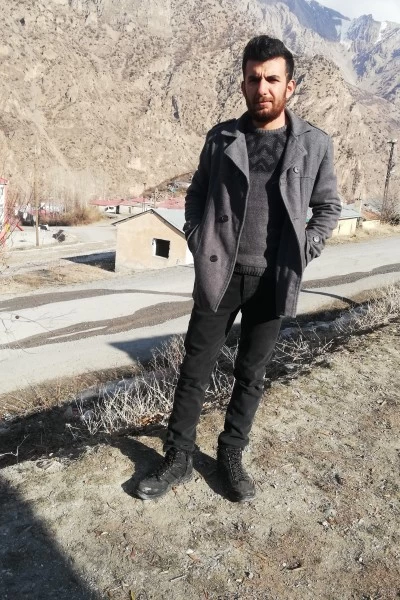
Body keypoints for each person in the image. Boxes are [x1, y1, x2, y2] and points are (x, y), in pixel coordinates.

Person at [136, 35, 341, 502]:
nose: (262, 88)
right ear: (243, 83)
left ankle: (230, 454)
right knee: (195, 368)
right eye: (253, 79)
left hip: (274, 278)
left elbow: (328, 207)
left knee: (251, 373)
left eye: (272, 79)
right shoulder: (222, 137)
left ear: (290, 86)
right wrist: (197, 235)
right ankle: (178, 457)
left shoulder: (314, 144)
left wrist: (304, 250)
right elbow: (196, 193)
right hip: (220, 273)